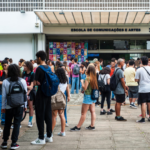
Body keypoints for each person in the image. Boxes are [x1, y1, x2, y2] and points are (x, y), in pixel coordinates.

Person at [1, 64, 27, 150]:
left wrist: (3, 107)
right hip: (19, 105)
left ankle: (4, 142)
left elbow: (4, 96)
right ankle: (14, 143)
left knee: (7, 124)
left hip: (9, 106)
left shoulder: (5, 81)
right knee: (17, 124)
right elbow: (25, 95)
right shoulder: (22, 81)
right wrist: (25, 105)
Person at [31, 51, 53, 144]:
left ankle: (41, 138)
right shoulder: (49, 67)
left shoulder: (39, 69)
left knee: (40, 115)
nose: (36, 60)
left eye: (37, 58)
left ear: (39, 58)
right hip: (48, 94)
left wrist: (37, 82)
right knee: (48, 115)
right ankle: (49, 136)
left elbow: (35, 82)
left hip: (40, 94)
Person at [70, 65, 98, 131]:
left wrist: (82, 82)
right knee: (93, 111)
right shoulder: (94, 77)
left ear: (89, 70)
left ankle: (78, 127)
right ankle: (92, 126)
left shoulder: (87, 78)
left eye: (87, 68)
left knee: (83, 113)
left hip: (87, 96)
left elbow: (85, 88)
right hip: (93, 96)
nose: (85, 69)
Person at [52, 68, 70, 136]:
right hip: (62, 99)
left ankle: (50, 133)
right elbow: (67, 88)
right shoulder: (65, 81)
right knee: (62, 116)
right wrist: (68, 96)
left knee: (54, 116)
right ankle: (63, 132)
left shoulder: (56, 81)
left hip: (55, 100)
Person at [135, 56, 150, 123]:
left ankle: (143, 119)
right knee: (149, 103)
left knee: (143, 103)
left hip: (143, 89)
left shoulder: (139, 70)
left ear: (141, 62)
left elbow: (136, 80)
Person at [22, 61, 36, 127]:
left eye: (25, 66)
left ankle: (30, 121)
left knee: (30, 107)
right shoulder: (23, 73)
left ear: (28, 67)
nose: (23, 67)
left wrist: (26, 90)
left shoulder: (32, 74)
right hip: (23, 92)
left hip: (30, 92)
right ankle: (19, 121)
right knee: (22, 107)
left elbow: (31, 86)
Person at [0, 60, 9, 125]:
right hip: (1, 92)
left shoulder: (10, 73)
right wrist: (5, 83)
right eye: (2, 66)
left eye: (5, 65)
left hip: (8, 93)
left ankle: (5, 121)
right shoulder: (1, 73)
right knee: (2, 107)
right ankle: (3, 121)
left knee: (7, 108)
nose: (4, 67)